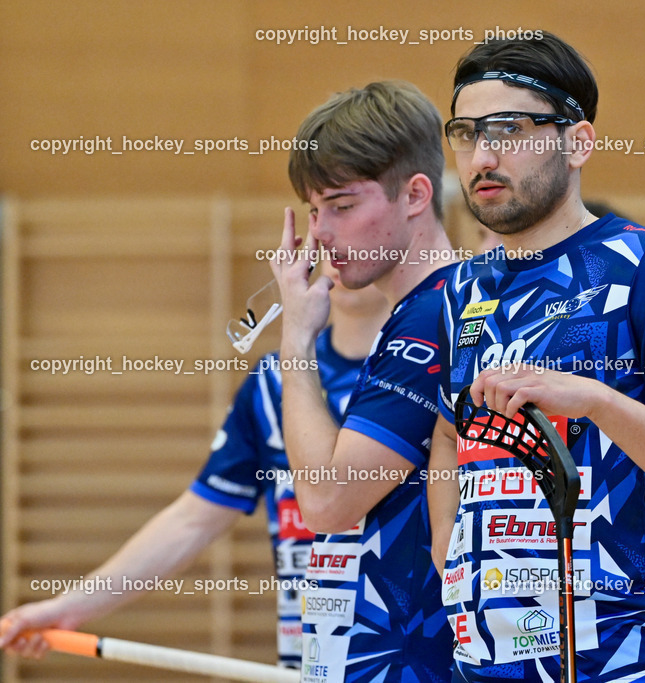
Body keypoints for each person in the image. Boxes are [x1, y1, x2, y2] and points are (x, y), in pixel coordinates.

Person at [427, 33, 645, 683]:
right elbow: (448, 431)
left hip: (625, 665)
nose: (482, 155)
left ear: (578, 142)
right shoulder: (460, 289)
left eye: (510, 129)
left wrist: (600, 401)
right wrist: (451, 557)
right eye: (466, 133)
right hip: (483, 664)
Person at [0, 278, 388, 669]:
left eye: (348, 212)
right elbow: (192, 520)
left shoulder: (432, 372)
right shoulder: (273, 382)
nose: (336, 239)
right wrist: (67, 608)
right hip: (310, 661)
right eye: (321, 218)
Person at [269, 80, 460, 683]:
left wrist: (297, 340)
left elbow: (326, 499)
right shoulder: (419, 314)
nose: (320, 232)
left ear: (415, 195)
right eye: (314, 209)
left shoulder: (435, 319)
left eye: (342, 206)